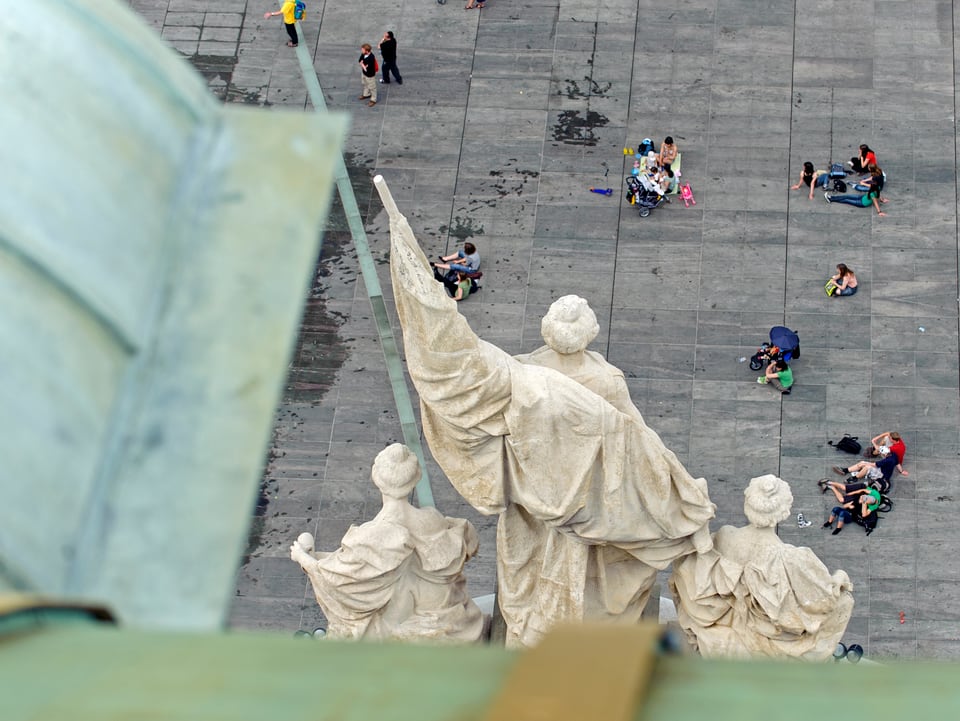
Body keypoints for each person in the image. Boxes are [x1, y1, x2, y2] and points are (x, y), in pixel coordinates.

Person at [378, 176, 716, 648]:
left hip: (533, 516)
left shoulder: (521, 374)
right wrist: (679, 498)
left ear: (547, 330)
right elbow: (640, 451)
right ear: (591, 332)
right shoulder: (604, 382)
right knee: (594, 600)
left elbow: (474, 407)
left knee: (530, 589)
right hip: (594, 525)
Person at [290, 444, 484, 642]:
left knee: (364, 618)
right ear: (416, 478)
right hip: (446, 612)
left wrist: (304, 558)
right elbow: (468, 540)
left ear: (376, 478)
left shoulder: (373, 536)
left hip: (409, 620)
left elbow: (338, 580)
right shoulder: (432, 519)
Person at [670, 475, 854, 660]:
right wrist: (839, 578)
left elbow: (699, 573)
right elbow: (821, 602)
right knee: (844, 600)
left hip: (723, 619)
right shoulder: (790, 558)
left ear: (747, 505)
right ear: (784, 512)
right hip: (765, 636)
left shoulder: (725, 535)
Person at [832, 449, 898, 492]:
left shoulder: (887, 460)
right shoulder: (893, 455)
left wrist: (865, 464)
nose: (881, 455)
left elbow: (875, 464)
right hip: (882, 469)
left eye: (881, 454)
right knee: (862, 463)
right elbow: (897, 463)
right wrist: (901, 471)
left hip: (882, 475)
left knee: (867, 467)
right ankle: (845, 470)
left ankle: (855, 478)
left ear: (885, 454)